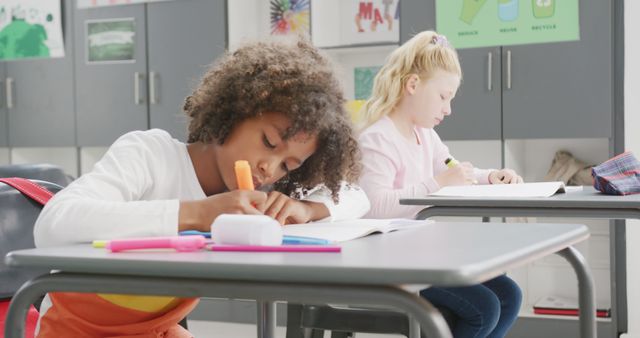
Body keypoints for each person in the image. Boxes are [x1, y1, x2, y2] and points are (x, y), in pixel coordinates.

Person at [33, 36, 369, 338]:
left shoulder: (258, 194)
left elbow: (356, 196)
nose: (269, 169)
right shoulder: (150, 155)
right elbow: (53, 222)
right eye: (268, 142)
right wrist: (198, 213)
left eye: (288, 165)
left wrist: (306, 208)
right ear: (237, 110)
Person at [358, 31, 522, 338]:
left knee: (509, 295)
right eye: (443, 97)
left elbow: (454, 171)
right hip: (388, 262)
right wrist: (436, 183)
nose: (448, 109)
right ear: (412, 85)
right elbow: (373, 207)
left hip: (420, 255)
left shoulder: (425, 135)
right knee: (484, 308)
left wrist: (489, 177)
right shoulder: (378, 138)